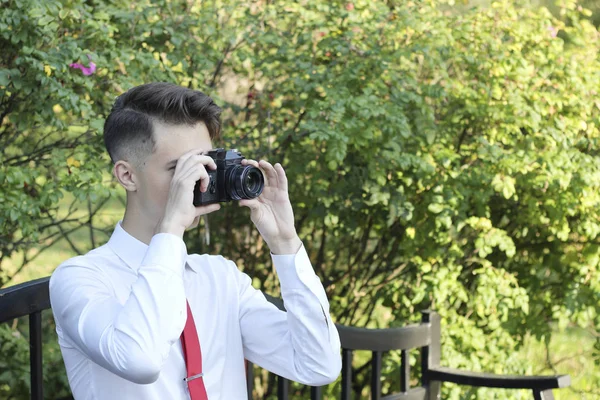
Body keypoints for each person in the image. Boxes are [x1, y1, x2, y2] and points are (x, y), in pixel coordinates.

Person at [49, 82, 342, 400]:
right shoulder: (80, 278)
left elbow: (317, 366)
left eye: (205, 163)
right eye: (180, 168)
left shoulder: (220, 278)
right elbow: (140, 360)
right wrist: (170, 228)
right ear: (127, 176)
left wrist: (285, 243)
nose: (199, 179)